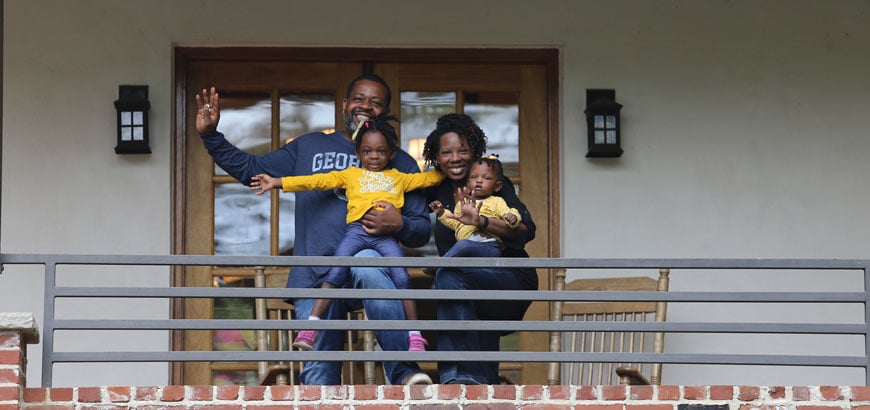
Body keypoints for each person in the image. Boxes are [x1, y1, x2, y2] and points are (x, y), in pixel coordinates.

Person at [195, 73, 434, 386]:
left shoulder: (399, 162)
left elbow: (419, 232)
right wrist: (212, 136)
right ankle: (393, 373)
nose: (365, 107)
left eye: (376, 103)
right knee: (318, 381)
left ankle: (404, 372)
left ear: (385, 113)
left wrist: (399, 223)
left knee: (369, 265)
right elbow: (253, 171)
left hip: (373, 269)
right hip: (315, 276)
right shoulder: (310, 146)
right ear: (345, 104)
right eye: (359, 99)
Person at [249, 115, 443, 352]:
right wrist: (277, 182)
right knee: (335, 273)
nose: (374, 157)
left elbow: (427, 178)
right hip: (356, 233)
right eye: (367, 151)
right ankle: (310, 329)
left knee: (401, 278)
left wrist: (451, 164)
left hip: (385, 239)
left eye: (381, 151)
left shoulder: (399, 178)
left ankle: (415, 335)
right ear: (359, 153)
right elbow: (315, 181)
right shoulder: (351, 175)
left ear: (391, 154)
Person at [421, 113, 537, 385]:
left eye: (463, 150)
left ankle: (460, 379)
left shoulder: (495, 185)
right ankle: (479, 385)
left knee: (449, 275)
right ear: (437, 157)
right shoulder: (435, 191)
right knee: (452, 281)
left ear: (474, 151)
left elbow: (525, 231)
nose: (456, 158)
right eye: (446, 152)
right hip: (465, 283)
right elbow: (412, 224)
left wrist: (482, 221)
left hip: (508, 280)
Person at [428, 155, 521, 259]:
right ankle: (444, 265)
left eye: (486, 178)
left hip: (489, 246)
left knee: (462, 246)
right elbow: (455, 222)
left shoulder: (497, 202)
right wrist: (442, 212)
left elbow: (509, 213)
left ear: (497, 186)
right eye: (474, 177)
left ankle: (443, 262)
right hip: (467, 249)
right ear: (468, 183)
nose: (479, 181)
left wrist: (513, 217)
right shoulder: (463, 203)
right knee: (462, 248)